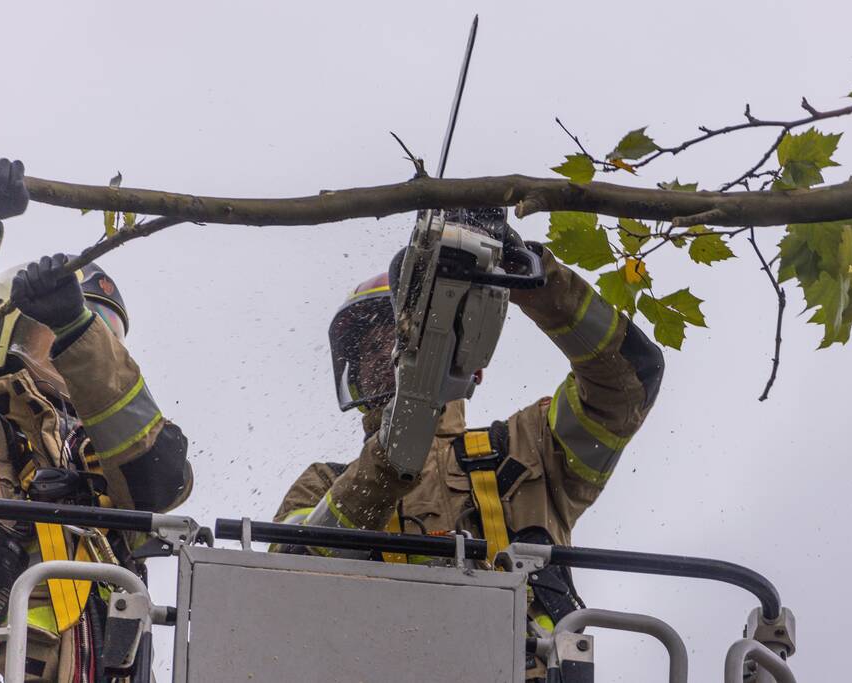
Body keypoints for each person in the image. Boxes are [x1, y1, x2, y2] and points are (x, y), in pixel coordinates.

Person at [273, 208, 665, 677]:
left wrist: (534, 280)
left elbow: (628, 383)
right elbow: (281, 587)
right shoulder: (323, 485)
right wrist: (388, 460)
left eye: (397, 334)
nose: (384, 353)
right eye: (369, 346)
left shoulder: (526, 447)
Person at [0, 156, 193, 682]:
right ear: (4, 337)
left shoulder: (106, 468)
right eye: (59, 336)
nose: (81, 355)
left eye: (100, 340)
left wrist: (77, 326)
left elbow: (159, 483)